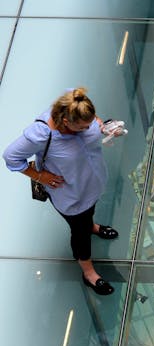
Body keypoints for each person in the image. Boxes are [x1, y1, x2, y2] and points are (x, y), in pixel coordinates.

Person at [3, 88, 122, 295]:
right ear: (67, 123)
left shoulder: (74, 104)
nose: (89, 128)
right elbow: (11, 157)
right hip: (71, 195)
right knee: (80, 233)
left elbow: (93, 121)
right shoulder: (41, 135)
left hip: (90, 184)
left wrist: (103, 126)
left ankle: (91, 225)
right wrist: (41, 176)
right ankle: (89, 273)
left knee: (88, 215)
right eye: (84, 126)